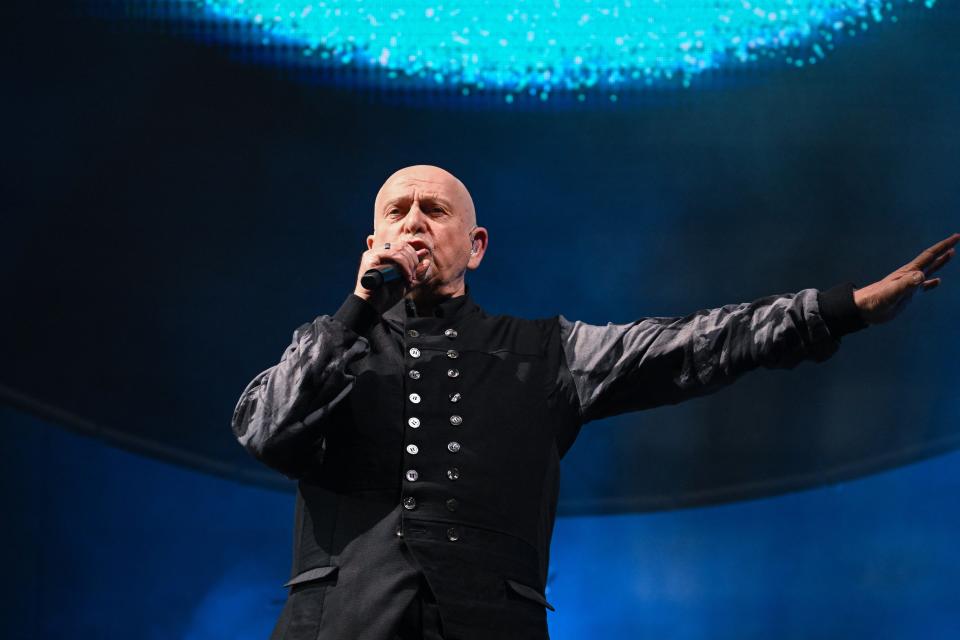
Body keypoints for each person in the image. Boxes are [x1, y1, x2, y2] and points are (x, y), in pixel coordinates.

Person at [231, 165, 958, 640]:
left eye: (435, 210)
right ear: (373, 239)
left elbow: (692, 344)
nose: (415, 222)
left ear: (476, 244)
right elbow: (268, 430)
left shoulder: (550, 351)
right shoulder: (328, 345)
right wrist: (357, 308)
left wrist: (842, 309)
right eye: (398, 211)